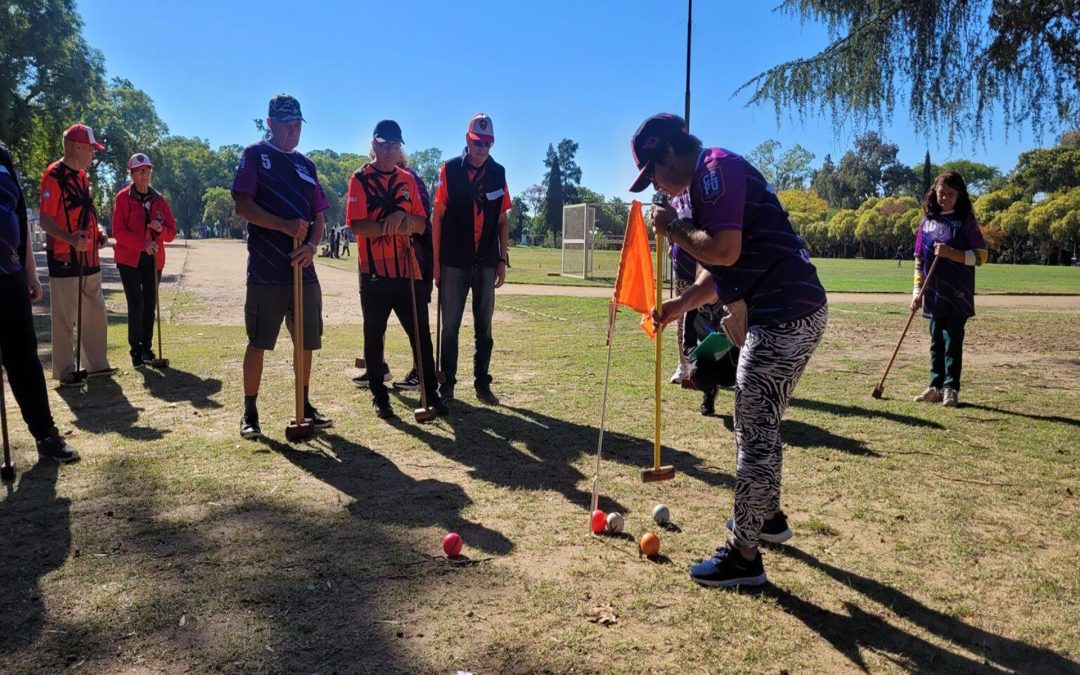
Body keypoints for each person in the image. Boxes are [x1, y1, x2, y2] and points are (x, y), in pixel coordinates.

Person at [633, 113, 828, 588]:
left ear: (670, 154)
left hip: (784, 313)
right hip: (787, 309)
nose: (655, 183)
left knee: (753, 427)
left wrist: (674, 227)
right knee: (759, 422)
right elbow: (717, 273)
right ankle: (770, 517)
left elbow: (723, 250)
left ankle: (744, 555)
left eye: (653, 171)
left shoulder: (714, 171)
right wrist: (680, 304)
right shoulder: (704, 181)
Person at [232, 94, 332, 439]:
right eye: (287, 125)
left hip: (302, 271)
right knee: (258, 340)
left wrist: (311, 245)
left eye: (298, 125)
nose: (294, 132)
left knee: (306, 341)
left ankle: (303, 404)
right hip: (266, 270)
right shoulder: (255, 156)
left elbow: (318, 216)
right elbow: (243, 206)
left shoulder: (307, 165)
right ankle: (249, 411)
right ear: (271, 123)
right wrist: (283, 225)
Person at [346, 120, 446, 419]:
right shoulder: (359, 179)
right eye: (384, 144)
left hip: (407, 269)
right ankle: (379, 396)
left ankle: (431, 392)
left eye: (395, 145)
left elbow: (420, 223)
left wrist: (402, 216)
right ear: (374, 144)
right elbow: (357, 225)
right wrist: (384, 226)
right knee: (374, 336)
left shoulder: (408, 180)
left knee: (420, 336)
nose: (390, 150)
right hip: (374, 271)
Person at [0, 141, 79, 462]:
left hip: (11, 275)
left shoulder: (3, 155)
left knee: (24, 358)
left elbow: (19, 216)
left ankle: (45, 434)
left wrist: (31, 272)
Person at [432, 113, 511, 405]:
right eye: (478, 143)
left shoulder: (498, 173)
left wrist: (502, 259)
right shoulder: (449, 170)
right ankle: (447, 384)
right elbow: (437, 217)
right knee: (449, 326)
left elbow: (502, 220)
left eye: (488, 143)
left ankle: (482, 382)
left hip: (487, 262)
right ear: (468, 140)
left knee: (484, 328)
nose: (483, 149)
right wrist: (437, 264)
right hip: (454, 261)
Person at [37, 124, 117, 386]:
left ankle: (96, 364)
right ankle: (65, 371)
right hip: (64, 256)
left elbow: (87, 211)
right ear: (75, 147)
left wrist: (100, 231)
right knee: (64, 316)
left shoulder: (82, 176)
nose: (93, 154)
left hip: (90, 257)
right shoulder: (54, 175)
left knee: (95, 311)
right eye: (91, 149)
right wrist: (71, 239)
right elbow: (46, 220)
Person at [910, 171, 986, 408]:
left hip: (958, 292)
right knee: (936, 341)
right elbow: (918, 260)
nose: (946, 198)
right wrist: (916, 292)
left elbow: (981, 256)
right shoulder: (926, 222)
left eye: (951, 195)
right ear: (935, 192)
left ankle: (951, 388)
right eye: (942, 193)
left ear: (959, 196)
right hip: (933, 293)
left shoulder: (966, 220)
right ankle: (935, 386)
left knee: (952, 340)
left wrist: (952, 254)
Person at [112, 153, 177, 367]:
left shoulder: (159, 199)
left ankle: (147, 348)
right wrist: (143, 243)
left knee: (150, 304)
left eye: (148, 170)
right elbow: (119, 232)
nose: (145, 174)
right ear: (132, 173)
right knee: (136, 304)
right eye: (140, 170)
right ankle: (135, 351)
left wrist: (161, 231)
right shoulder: (123, 198)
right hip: (129, 259)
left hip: (154, 259)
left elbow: (171, 231)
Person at [669, 242, 697, 384]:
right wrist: (670, 244)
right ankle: (683, 365)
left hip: (707, 271)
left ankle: (708, 367)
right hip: (682, 272)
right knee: (682, 321)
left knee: (708, 319)